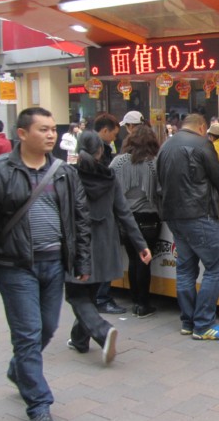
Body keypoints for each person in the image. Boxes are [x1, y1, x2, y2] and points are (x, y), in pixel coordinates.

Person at [0, 107, 91, 421]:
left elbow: (79, 218)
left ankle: (18, 370)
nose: (51, 134)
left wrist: (81, 261)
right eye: (42, 129)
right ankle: (38, 404)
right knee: (27, 333)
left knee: (48, 327)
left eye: (53, 129)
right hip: (14, 266)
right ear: (22, 134)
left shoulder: (64, 172)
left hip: (53, 264)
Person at [66, 132, 151, 362]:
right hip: (104, 245)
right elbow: (124, 213)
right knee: (89, 295)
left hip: (76, 245)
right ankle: (79, 339)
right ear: (101, 151)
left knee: (76, 295)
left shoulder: (68, 177)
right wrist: (140, 244)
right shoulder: (110, 177)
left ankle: (102, 331)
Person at [156, 113, 219, 340]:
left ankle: (188, 322)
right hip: (199, 214)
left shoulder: (165, 145)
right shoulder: (202, 145)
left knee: (185, 269)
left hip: (173, 216)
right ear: (202, 127)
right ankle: (204, 324)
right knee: (216, 267)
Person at [111, 125, 163, 318]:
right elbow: (160, 190)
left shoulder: (118, 162)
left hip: (125, 218)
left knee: (133, 259)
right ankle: (143, 303)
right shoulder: (153, 163)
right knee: (145, 261)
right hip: (148, 217)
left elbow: (109, 185)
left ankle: (134, 300)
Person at [92, 114, 124, 313]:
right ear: (105, 130)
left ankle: (96, 298)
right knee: (104, 256)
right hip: (101, 215)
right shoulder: (99, 150)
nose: (114, 137)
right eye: (113, 133)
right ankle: (101, 298)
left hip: (96, 215)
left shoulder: (96, 148)